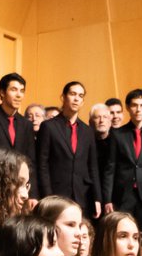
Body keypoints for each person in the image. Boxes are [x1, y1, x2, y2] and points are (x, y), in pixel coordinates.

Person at [103, 89, 142, 233]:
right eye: (134, 105)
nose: (139, 109)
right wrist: (107, 199)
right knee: (120, 235)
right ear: (127, 107)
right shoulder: (117, 135)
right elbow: (110, 169)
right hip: (122, 197)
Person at [36, 81, 99, 217]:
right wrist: (47, 196)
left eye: (80, 96)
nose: (77, 98)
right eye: (73, 94)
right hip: (56, 193)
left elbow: (92, 167)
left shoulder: (87, 131)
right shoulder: (48, 127)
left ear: (83, 102)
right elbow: (42, 164)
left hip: (82, 194)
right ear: (63, 97)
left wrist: (97, 198)